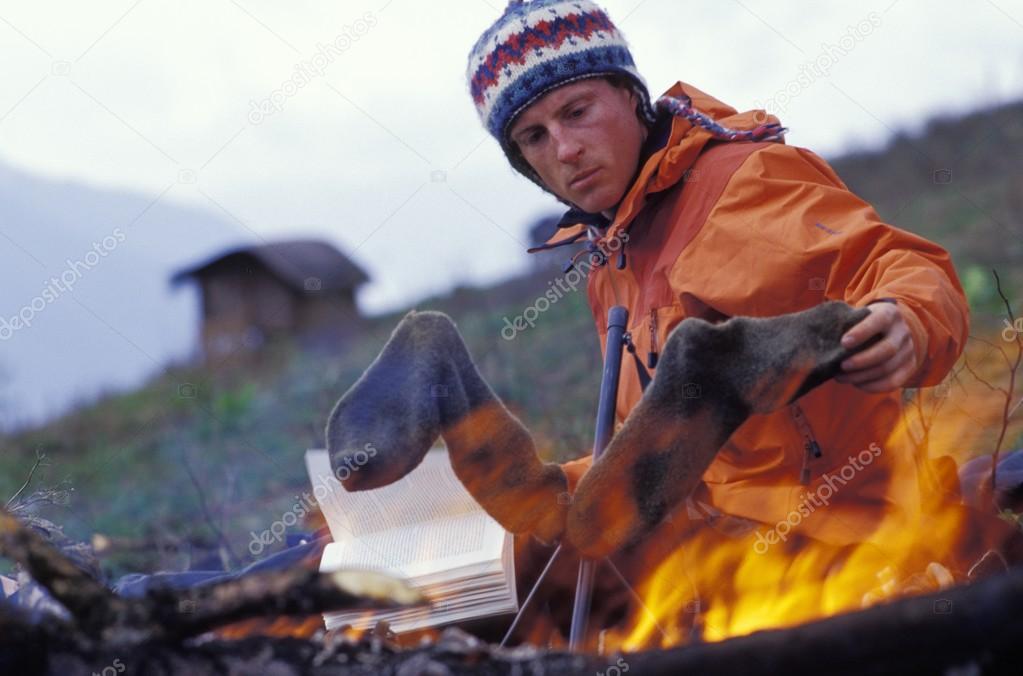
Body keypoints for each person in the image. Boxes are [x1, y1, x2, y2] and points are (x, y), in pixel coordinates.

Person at [466, 0, 970, 551]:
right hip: (710, 554)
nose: (565, 149)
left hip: (840, 544)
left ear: (631, 97)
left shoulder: (741, 184)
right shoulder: (609, 264)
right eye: (533, 137)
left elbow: (898, 263)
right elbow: (665, 452)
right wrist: (557, 492)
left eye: (577, 111)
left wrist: (906, 319)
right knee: (512, 569)